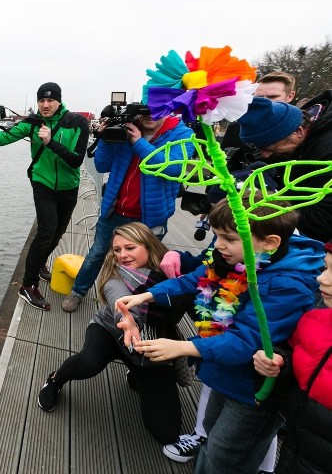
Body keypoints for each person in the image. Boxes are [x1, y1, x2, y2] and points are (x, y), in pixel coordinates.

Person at [116, 198, 324, 474]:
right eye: (216, 235)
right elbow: (193, 279)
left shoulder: (287, 285)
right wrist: (148, 294)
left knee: (224, 457)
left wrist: (182, 347)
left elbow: (246, 341)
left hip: (253, 390)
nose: (218, 245)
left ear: (270, 242)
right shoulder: (232, 259)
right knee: (213, 435)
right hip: (226, 374)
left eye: (228, 238)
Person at [37, 223, 184, 442]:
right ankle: (55, 380)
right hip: (110, 330)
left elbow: (204, 274)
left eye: (130, 248)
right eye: (117, 250)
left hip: (149, 342)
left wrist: (177, 255)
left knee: (166, 432)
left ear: (149, 246)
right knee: (88, 362)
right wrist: (127, 319)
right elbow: (119, 300)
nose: (122, 255)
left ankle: (134, 369)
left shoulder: (172, 276)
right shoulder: (114, 276)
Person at [60, 106, 194, 312]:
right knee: (96, 255)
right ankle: (78, 292)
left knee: (144, 264)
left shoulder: (181, 133)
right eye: (146, 109)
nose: (150, 114)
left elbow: (172, 168)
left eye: (158, 109)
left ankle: (132, 307)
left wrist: (139, 143)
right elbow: (102, 165)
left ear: (168, 108)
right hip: (115, 209)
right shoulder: (125, 127)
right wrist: (105, 138)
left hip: (149, 217)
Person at [0, 82, 90, 310]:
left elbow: (76, 160)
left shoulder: (77, 122)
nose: (45, 105)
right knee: (46, 230)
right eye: (41, 101)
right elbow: (0, 140)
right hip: (42, 183)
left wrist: (50, 143)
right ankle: (28, 286)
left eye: (50, 100)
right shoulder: (32, 123)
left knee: (58, 233)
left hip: (69, 186)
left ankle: (39, 264)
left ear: (59, 100)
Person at [252, 240, 332, 474]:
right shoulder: (312, 321)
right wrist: (278, 362)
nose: (322, 278)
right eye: (326, 268)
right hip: (298, 448)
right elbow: (299, 358)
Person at [237, 93, 332, 242]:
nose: (266, 155)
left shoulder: (327, 151)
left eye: (272, 149)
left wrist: (263, 205)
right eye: (261, 148)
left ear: (299, 132)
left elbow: (323, 219)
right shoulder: (281, 139)